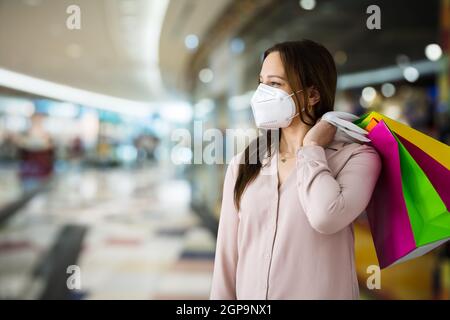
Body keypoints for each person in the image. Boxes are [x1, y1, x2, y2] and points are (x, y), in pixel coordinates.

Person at [210, 40, 382, 300]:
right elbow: (226, 257)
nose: (262, 94)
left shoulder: (357, 157)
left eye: (275, 84)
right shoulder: (245, 163)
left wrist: (312, 148)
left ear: (313, 95)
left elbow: (326, 216)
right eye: (261, 82)